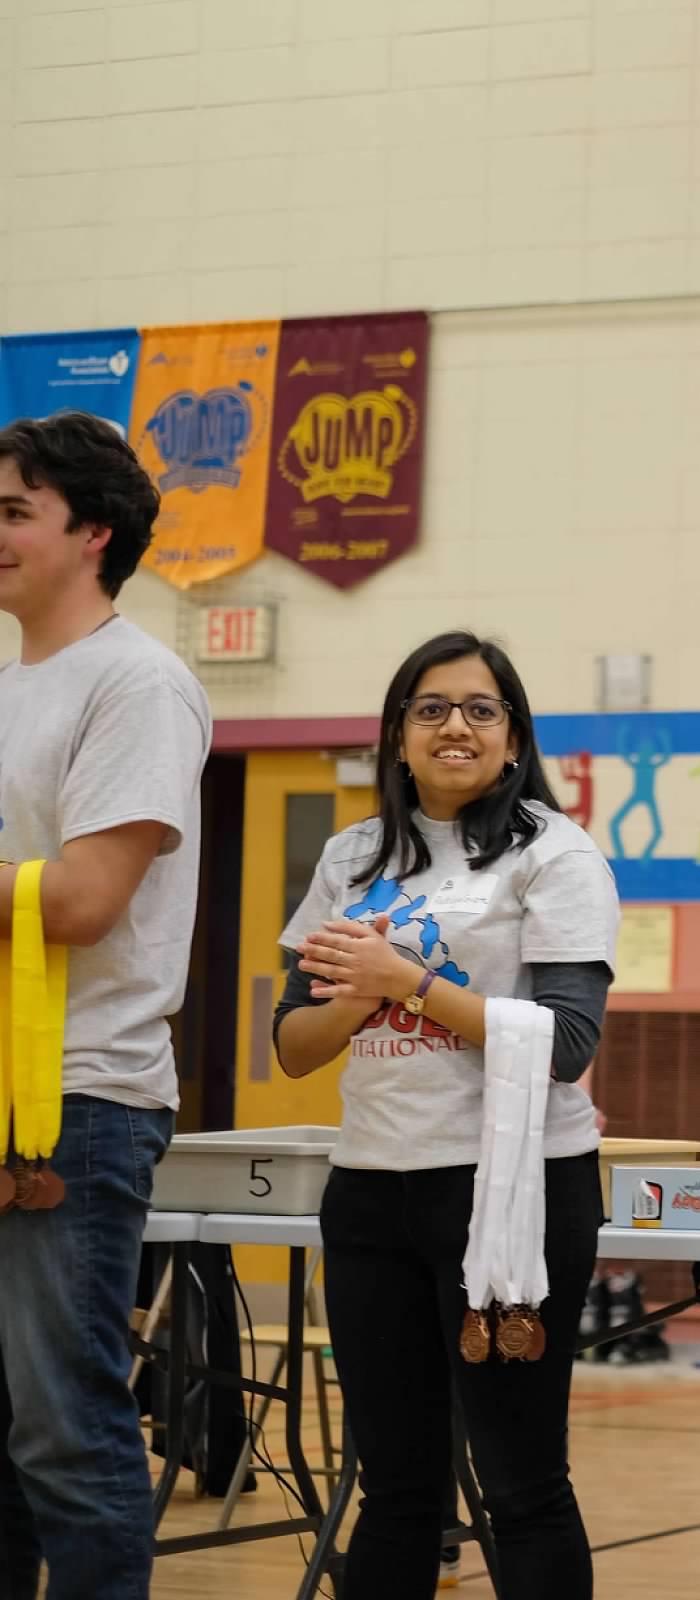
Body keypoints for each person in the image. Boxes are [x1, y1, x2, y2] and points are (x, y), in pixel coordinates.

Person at [274, 631, 620, 1600]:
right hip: (373, 1193)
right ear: (397, 735)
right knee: (394, 1489)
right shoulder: (351, 856)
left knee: (521, 1483)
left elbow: (567, 1044)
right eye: (430, 708)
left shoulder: (554, 852)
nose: (454, 725)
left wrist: (407, 980)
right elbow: (294, 1044)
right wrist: (359, 994)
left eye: (479, 707)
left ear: (513, 739)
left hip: (512, 1193)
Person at [0, 411, 210, 1600]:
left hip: (76, 1099)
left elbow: (81, 899)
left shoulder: (139, 683)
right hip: (4, 1093)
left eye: (14, 511)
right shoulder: (10, 684)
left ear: (94, 532)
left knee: (67, 1432)